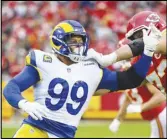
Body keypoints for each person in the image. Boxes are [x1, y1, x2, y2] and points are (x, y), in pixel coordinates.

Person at [3, 20, 160, 138]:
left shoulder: (91, 69)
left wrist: (148, 52)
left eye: (80, 40)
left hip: (66, 134)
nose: (78, 45)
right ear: (59, 41)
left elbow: (132, 80)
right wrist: (24, 103)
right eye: (73, 40)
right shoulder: (44, 62)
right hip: (36, 130)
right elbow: (11, 87)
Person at [108, 61, 166, 138]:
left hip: (159, 116)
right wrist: (117, 120)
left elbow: (161, 96)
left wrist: (140, 108)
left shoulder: (142, 76)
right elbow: (128, 99)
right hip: (154, 119)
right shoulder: (127, 79)